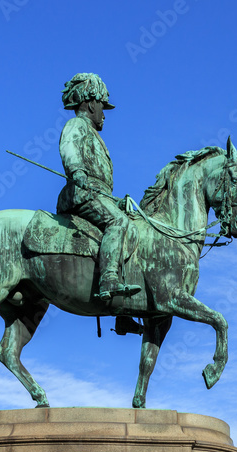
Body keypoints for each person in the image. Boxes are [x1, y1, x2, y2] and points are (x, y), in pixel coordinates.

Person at [57, 73, 140, 299]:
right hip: (80, 193)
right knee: (117, 221)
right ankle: (109, 280)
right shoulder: (77, 124)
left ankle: (123, 313)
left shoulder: (94, 134)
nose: (104, 113)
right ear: (91, 103)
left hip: (96, 194)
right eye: (103, 106)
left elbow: (101, 186)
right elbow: (69, 147)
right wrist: (77, 171)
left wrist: (116, 201)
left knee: (132, 225)